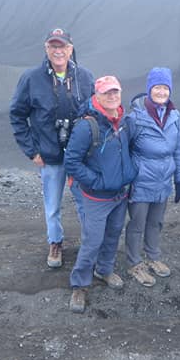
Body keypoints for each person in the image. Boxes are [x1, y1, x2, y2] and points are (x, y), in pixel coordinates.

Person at [9, 28, 94, 269]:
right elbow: (17, 115)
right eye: (53, 46)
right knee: (52, 204)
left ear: (70, 49)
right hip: (49, 156)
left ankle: (91, 242)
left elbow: (96, 110)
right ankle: (55, 242)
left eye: (63, 46)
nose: (58, 51)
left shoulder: (85, 78)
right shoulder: (31, 78)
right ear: (46, 49)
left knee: (85, 202)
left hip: (80, 156)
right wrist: (32, 150)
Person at [65, 76, 138, 313]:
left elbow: (132, 149)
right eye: (107, 93)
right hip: (96, 197)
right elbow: (72, 161)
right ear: (97, 95)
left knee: (113, 234)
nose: (112, 96)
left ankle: (104, 270)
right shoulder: (87, 126)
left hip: (119, 194)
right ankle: (80, 285)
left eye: (115, 92)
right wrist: (96, 181)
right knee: (92, 240)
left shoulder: (125, 121)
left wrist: (131, 172)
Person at [123, 67, 180, 287]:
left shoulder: (175, 115)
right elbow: (125, 151)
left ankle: (153, 257)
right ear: (149, 89)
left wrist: (179, 178)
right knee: (137, 224)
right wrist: (127, 180)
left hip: (163, 181)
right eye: (157, 87)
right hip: (141, 181)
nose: (161, 92)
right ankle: (134, 263)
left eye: (165, 88)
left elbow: (178, 149)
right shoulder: (136, 117)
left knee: (156, 222)